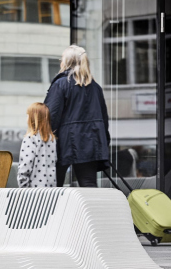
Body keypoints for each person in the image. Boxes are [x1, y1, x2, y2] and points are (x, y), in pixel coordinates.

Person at [45, 45, 110, 187]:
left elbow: (51, 116)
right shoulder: (95, 87)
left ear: (67, 62)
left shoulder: (61, 84)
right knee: (88, 184)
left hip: (63, 142)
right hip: (91, 141)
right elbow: (104, 119)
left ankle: (58, 210)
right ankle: (93, 210)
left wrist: (44, 139)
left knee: (54, 186)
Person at [18, 102, 57, 188]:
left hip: (33, 191)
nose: (26, 118)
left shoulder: (30, 138)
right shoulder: (52, 139)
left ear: (33, 118)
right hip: (51, 189)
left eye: (28, 115)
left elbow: (25, 166)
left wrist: (23, 187)